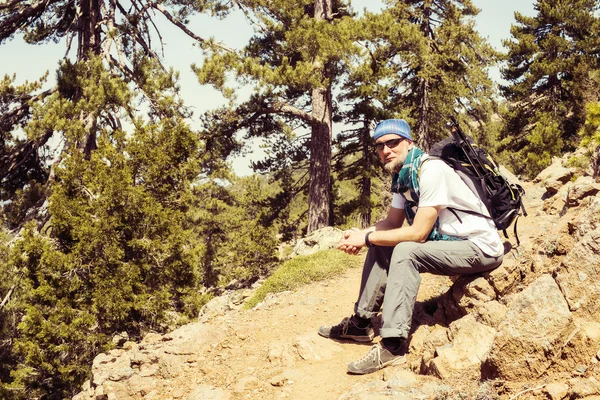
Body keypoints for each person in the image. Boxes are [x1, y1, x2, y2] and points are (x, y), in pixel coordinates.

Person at [318, 119, 504, 375]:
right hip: (452, 246)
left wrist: (368, 239)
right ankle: (361, 324)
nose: (386, 150)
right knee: (384, 244)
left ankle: (393, 345)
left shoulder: (431, 171)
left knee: (405, 249)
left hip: (480, 248)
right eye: (380, 145)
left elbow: (417, 234)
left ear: (409, 143)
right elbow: (392, 223)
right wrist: (363, 234)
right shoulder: (402, 175)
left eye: (393, 143)